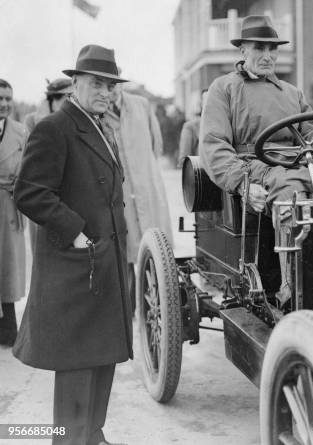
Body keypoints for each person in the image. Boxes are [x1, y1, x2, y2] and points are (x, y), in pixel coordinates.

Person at [12, 45, 131, 445]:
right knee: (79, 366)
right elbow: (30, 192)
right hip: (77, 265)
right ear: (75, 83)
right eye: (97, 83)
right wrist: (77, 232)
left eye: (110, 85)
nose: (105, 92)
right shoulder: (55, 127)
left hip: (103, 263)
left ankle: (92, 435)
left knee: (103, 357)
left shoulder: (100, 125)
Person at [200, 15, 313, 304]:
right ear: (243, 51)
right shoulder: (224, 89)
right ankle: (292, 291)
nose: (267, 56)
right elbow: (214, 144)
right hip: (255, 166)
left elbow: (312, 129)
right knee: (293, 197)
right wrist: (242, 183)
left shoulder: (291, 93)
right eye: (258, 49)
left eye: (272, 49)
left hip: (298, 163)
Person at [106, 81, 173, 303]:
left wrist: (146, 172)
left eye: (114, 83)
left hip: (147, 185)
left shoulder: (141, 105)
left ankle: (155, 302)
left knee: (155, 248)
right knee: (124, 251)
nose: (111, 89)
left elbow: (157, 144)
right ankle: (128, 307)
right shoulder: (99, 111)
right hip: (120, 191)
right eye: (106, 84)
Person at [0, 79, 28, 346]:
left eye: (8, 98)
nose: (4, 104)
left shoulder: (20, 132)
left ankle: (8, 328)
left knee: (8, 268)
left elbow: (29, 170)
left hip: (8, 205)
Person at [178, 89, 208, 166]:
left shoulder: (227, 126)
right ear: (201, 103)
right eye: (206, 100)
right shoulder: (191, 127)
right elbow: (184, 159)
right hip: (201, 173)